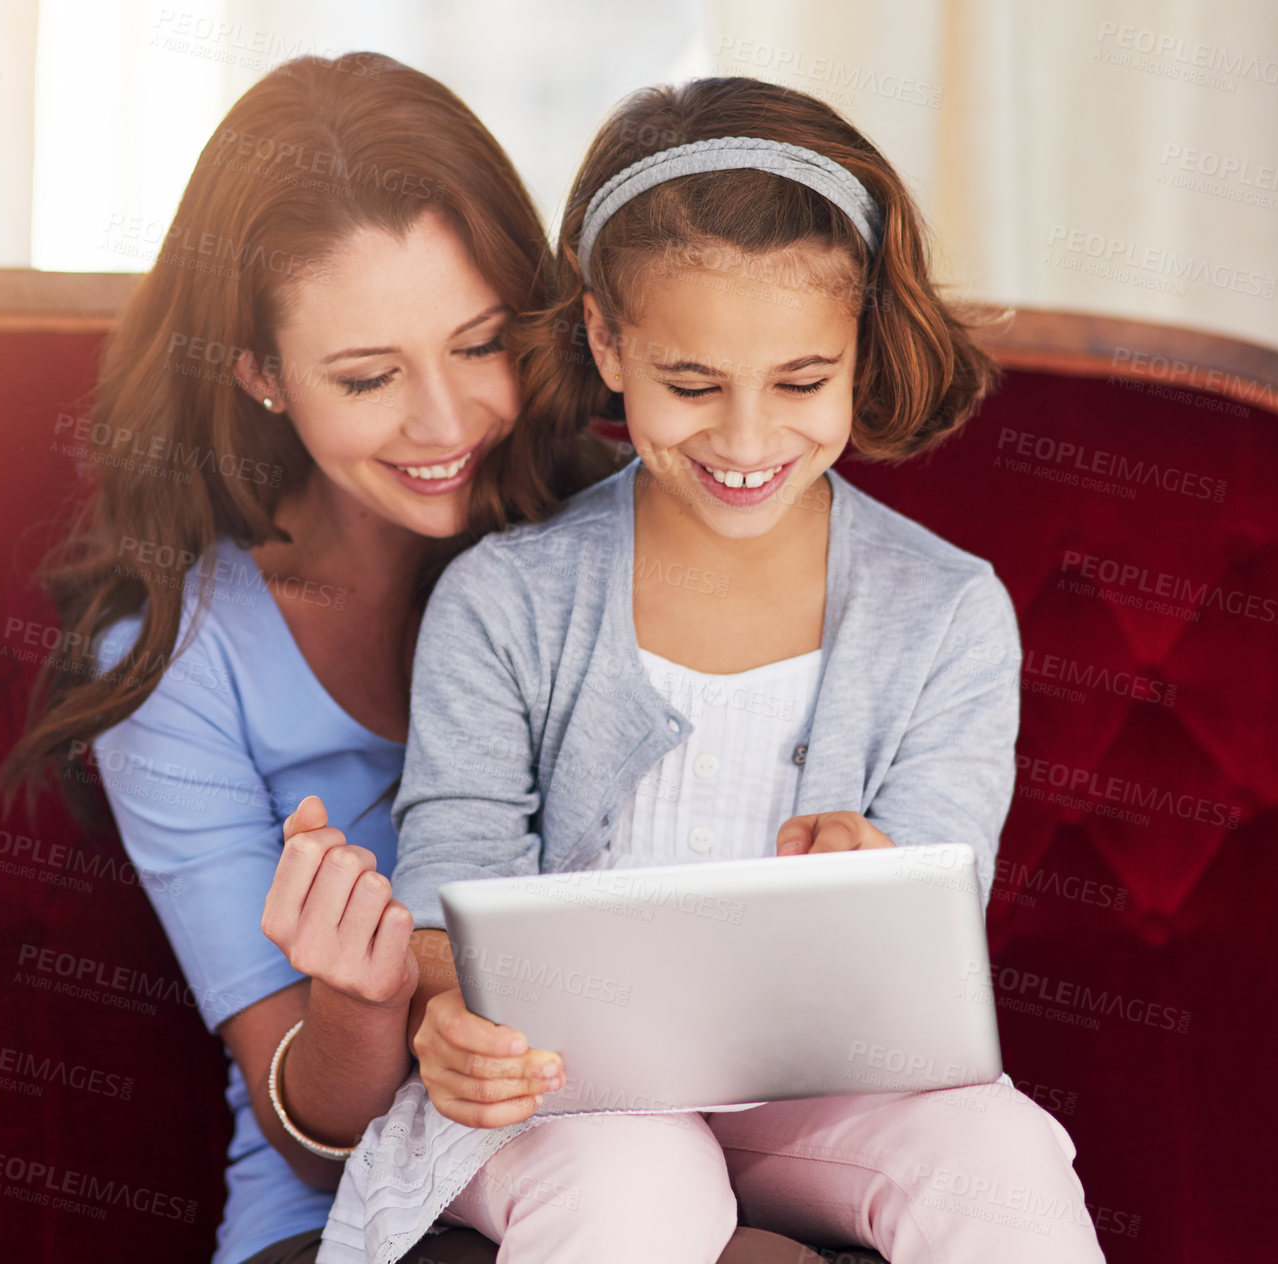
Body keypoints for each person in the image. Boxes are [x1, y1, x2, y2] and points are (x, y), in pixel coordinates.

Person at [316, 78, 1107, 1264]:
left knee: (1007, 1158)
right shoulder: (505, 600)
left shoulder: (947, 611)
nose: (746, 442)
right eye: (691, 387)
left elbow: (943, 915)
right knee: (640, 1175)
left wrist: (878, 879)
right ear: (606, 343)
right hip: (563, 1095)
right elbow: (444, 903)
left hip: (822, 1092)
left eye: (800, 383)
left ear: (855, 353)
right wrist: (448, 1021)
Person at [0, 52, 622, 1264]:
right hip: (353, 1219)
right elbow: (308, 1140)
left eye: (481, 343)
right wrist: (361, 999)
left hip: (632, 1164)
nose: (445, 424)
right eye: (369, 376)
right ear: (262, 375)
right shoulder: (179, 652)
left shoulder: (616, 541)